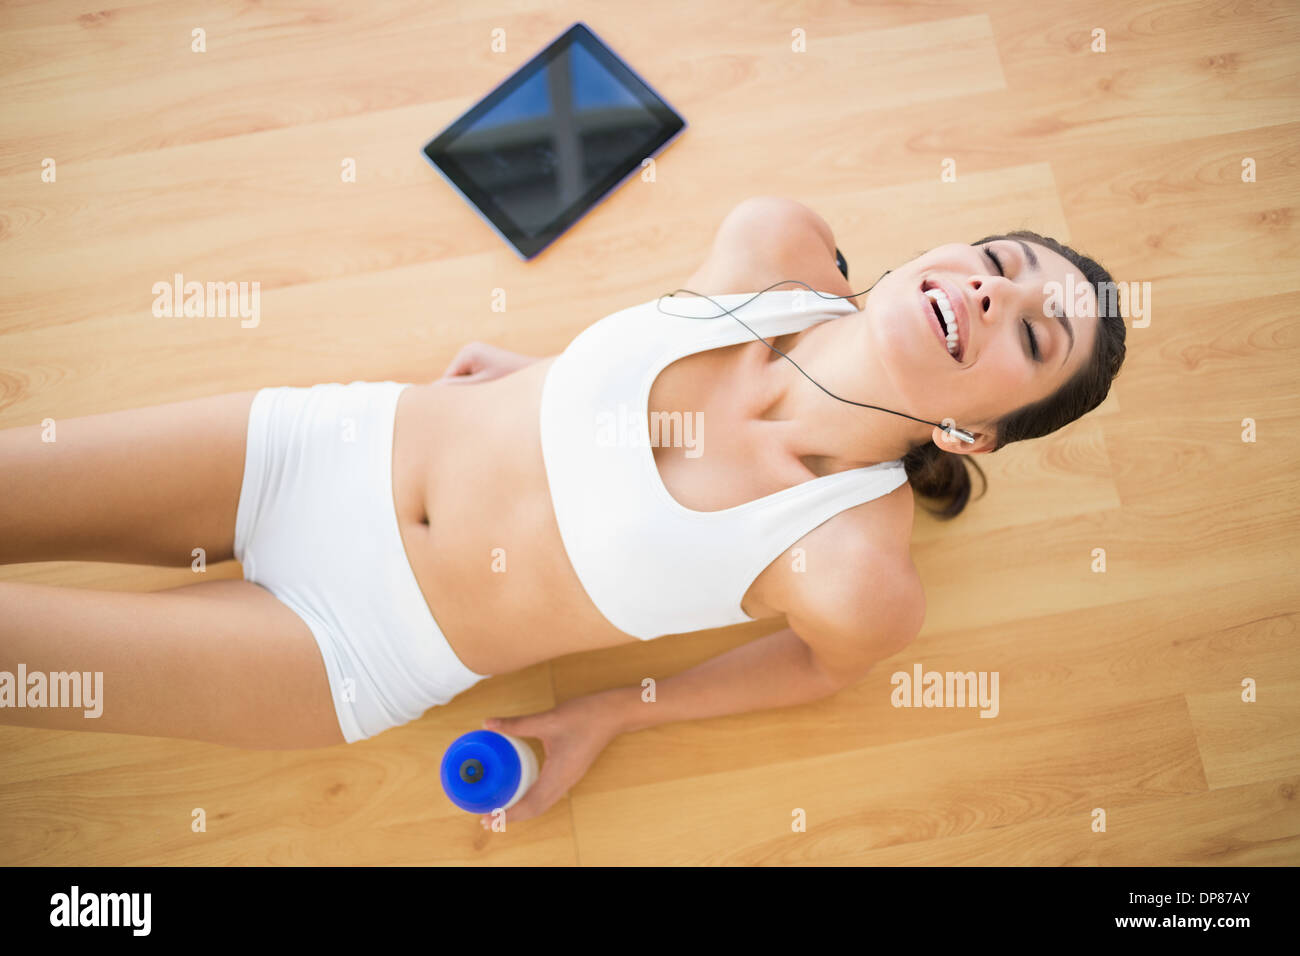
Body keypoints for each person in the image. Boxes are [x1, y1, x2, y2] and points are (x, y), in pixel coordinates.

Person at [0, 197, 1126, 823]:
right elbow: (653, 333)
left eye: (1032, 331)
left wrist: (611, 713)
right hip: (318, 448)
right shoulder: (772, 243)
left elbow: (819, 668)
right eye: (1001, 260)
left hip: (347, 645)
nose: (992, 289)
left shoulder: (850, 566)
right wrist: (553, 376)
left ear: (972, 436)